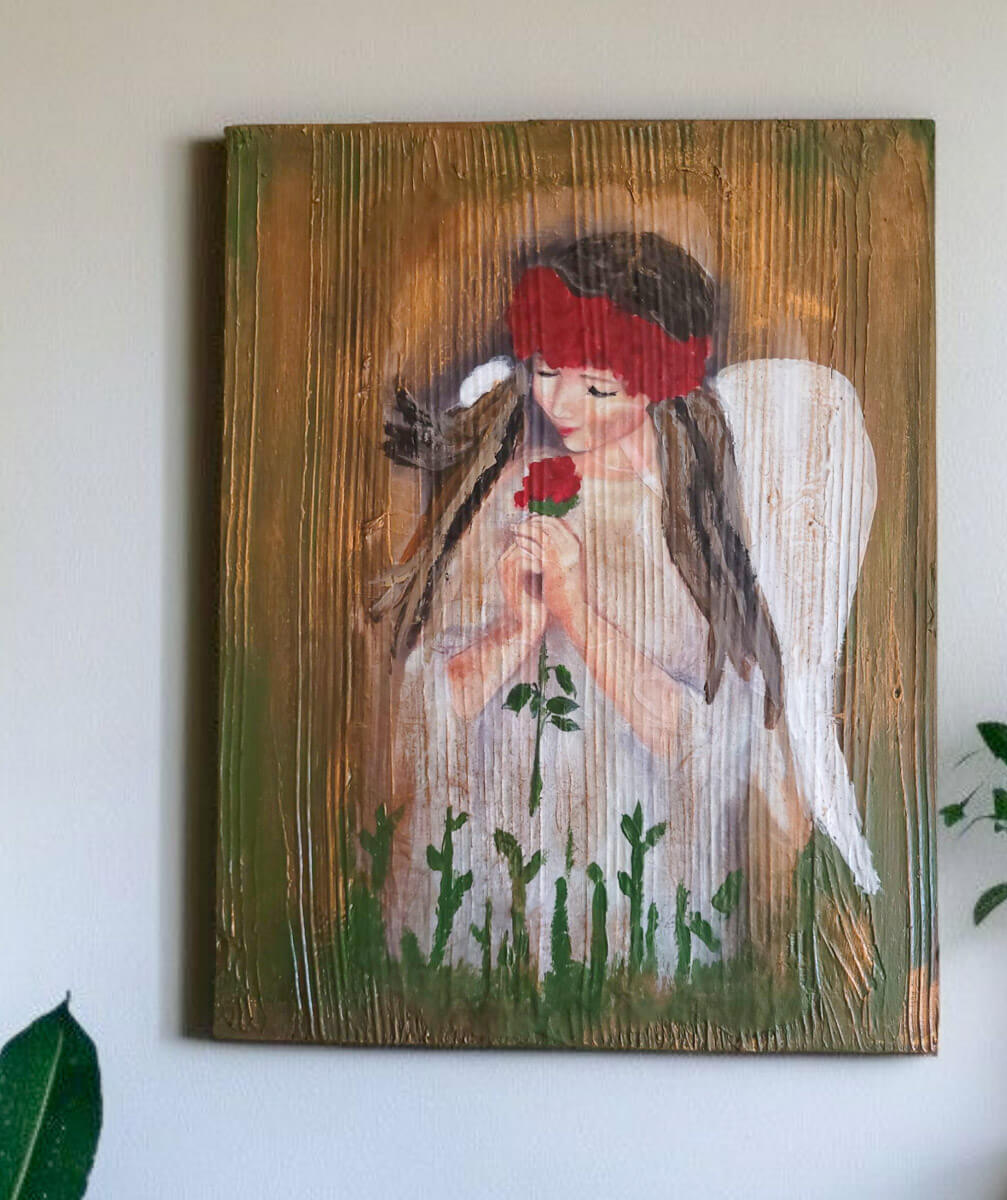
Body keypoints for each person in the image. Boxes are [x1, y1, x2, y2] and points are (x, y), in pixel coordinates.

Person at [372, 231, 876, 988]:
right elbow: (421, 722)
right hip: (490, 898)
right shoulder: (507, 502)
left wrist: (579, 616)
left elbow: (726, 753)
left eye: (599, 388)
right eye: (546, 372)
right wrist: (515, 630)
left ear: (656, 382)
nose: (561, 403)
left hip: (641, 905)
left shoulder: (696, 526)